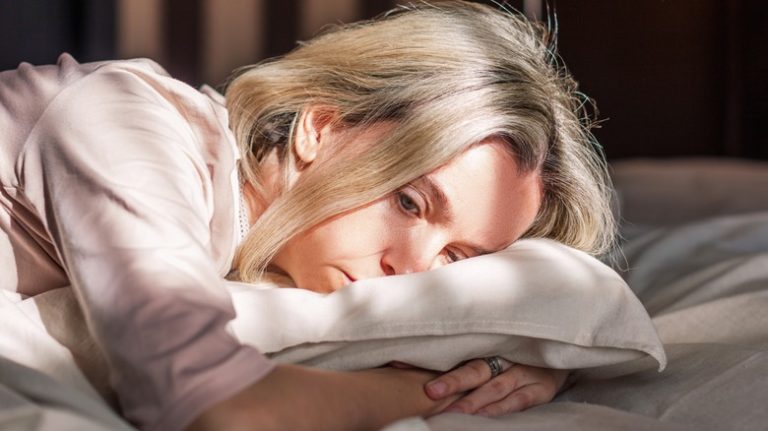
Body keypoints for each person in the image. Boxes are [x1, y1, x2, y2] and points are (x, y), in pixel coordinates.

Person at [0, 1, 614, 430]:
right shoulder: (123, 121)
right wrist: (438, 394)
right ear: (319, 128)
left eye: (457, 259)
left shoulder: (267, 248)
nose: (413, 271)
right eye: (409, 202)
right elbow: (217, 413)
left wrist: (526, 361)